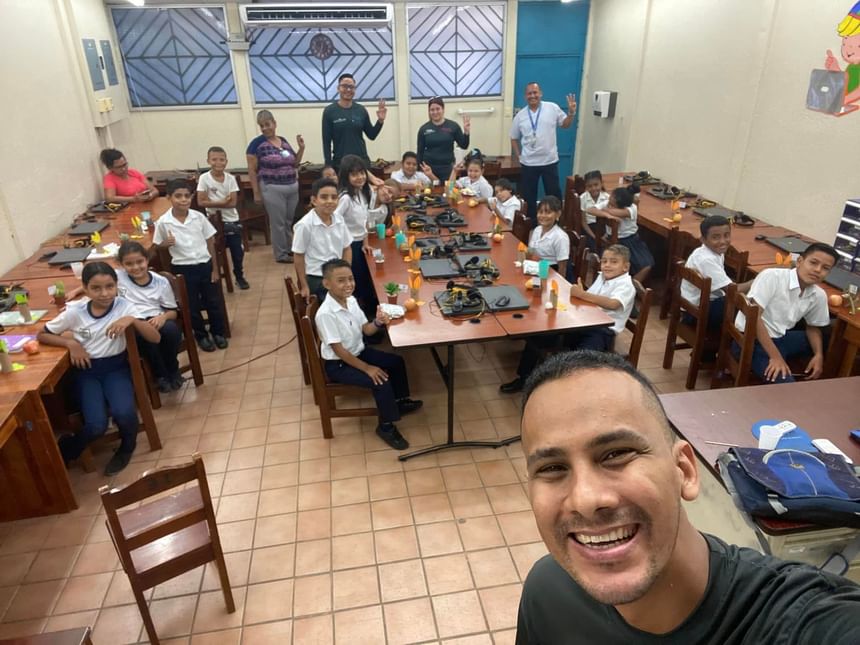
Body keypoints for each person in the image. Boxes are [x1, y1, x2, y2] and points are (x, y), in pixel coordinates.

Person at [517, 350, 860, 643]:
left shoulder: (796, 622)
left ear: (684, 470)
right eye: (552, 468)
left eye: (615, 454)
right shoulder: (548, 592)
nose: (586, 498)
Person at [37, 262, 161, 476]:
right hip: (87, 373)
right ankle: (67, 448)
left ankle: (127, 447)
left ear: (116, 286)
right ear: (84, 288)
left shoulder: (124, 305)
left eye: (110, 286)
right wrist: (71, 344)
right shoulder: (75, 311)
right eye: (96, 288)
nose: (104, 294)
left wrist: (132, 319)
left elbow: (155, 337)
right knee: (96, 425)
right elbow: (42, 334)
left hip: (116, 368)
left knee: (124, 413)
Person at [315, 259, 423, 451]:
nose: (348, 284)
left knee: (396, 362)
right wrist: (367, 369)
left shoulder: (352, 300)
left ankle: (399, 402)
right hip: (339, 364)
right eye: (341, 280)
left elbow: (366, 330)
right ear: (326, 283)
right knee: (380, 380)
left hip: (358, 351)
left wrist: (379, 322)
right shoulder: (325, 314)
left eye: (351, 279)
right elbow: (339, 350)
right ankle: (385, 426)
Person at [735, 242, 836, 383]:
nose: (818, 270)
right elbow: (754, 318)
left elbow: (812, 327)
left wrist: (818, 355)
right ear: (800, 261)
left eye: (825, 268)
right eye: (813, 263)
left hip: (780, 338)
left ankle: (815, 372)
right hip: (751, 340)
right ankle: (777, 368)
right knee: (786, 386)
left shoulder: (818, 295)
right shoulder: (772, 277)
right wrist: (776, 357)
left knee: (831, 340)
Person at [153, 179, 228, 353]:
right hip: (183, 269)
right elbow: (158, 245)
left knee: (213, 301)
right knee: (192, 305)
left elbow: (210, 241)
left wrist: (215, 269)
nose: (183, 200)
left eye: (187, 196)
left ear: (192, 197)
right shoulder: (163, 222)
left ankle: (218, 332)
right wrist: (165, 243)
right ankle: (201, 335)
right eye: (178, 196)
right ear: (169, 198)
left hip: (205, 265)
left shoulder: (198, 217)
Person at [115, 241, 184, 393]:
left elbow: (173, 311)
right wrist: (77, 291)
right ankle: (161, 375)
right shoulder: (118, 277)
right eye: (129, 264)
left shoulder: (160, 281)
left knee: (171, 331)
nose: (135, 267)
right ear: (121, 265)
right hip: (134, 322)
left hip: (156, 317)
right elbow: (97, 279)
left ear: (147, 259)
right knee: (145, 338)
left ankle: (172, 368)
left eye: (140, 262)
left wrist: (163, 317)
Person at [509, 83, 577, 219]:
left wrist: (571, 112)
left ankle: (556, 223)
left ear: (541, 93)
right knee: (529, 198)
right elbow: (513, 138)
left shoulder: (552, 108)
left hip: (549, 161)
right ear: (525, 96)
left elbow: (565, 125)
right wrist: (519, 156)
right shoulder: (520, 116)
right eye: (529, 93)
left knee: (554, 196)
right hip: (529, 163)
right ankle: (532, 226)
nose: (532, 96)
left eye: (535, 92)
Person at [246, 109, 305, 263]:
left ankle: (289, 249)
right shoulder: (256, 144)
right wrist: (256, 193)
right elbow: (251, 170)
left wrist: (301, 148)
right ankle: (281, 254)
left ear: (274, 123)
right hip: (272, 187)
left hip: (291, 186)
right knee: (277, 223)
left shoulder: (283, 141)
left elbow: (295, 163)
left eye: (267, 124)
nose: (265, 128)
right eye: (262, 126)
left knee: (288, 221)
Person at [680, 215, 750, 330]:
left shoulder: (706, 251)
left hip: (698, 305)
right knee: (748, 309)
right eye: (715, 237)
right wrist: (757, 280)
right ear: (703, 239)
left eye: (726, 235)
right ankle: (736, 344)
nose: (723, 241)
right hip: (696, 314)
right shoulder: (706, 259)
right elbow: (731, 290)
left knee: (745, 303)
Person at [196, 146, 249, 290]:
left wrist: (213, 202)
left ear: (226, 161)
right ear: (208, 161)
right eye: (214, 159)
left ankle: (239, 276)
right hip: (212, 222)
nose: (218, 162)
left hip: (232, 220)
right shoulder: (204, 178)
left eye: (221, 159)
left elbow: (233, 202)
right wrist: (222, 202)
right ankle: (215, 275)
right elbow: (201, 201)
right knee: (213, 251)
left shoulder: (230, 179)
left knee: (238, 253)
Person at [292, 177, 352, 302]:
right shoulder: (305, 225)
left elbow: (347, 249)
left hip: (337, 274)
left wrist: (347, 274)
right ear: (314, 200)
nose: (330, 201)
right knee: (333, 308)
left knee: (350, 302)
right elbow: (298, 256)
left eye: (334, 197)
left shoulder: (339, 220)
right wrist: (304, 285)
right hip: (317, 277)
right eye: (324, 197)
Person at [334, 155, 381, 314]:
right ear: (346, 176)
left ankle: (371, 316)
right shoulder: (345, 198)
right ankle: (362, 320)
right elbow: (335, 223)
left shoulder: (363, 192)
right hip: (349, 247)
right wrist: (346, 245)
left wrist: (366, 242)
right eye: (354, 174)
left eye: (362, 173)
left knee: (367, 281)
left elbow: (364, 221)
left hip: (361, 243)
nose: (359, 177)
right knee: (357, 284)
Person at [322, 73, 386, 169]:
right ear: (338, 88)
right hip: (341, 163)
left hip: (361, 162)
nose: (348, 90)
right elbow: (326, 142)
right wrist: (328, 165)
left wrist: (380, 121)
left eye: (351, 87)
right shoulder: (329, 111)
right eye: (344, 86)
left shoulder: (361, 110)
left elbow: (372, 135)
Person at [595, 186, 654, 284]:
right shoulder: (632, 208)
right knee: (647, 264)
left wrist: (605, 211)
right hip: (628, 241)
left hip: (615, 240)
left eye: (612, 197)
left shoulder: (608, 206)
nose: (609, 198)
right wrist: (607, 214)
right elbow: (591, 209)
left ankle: (628, 282)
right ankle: (630, 286)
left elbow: (607, 210)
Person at [416, 97, 471, 180]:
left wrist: (466, 132)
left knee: (448, 191)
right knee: (429, 192)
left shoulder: (453, 126)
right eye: (432, 110)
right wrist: (419, 170)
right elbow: (420, 152)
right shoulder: (423, 129)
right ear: (429, 111)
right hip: (429, 170)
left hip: (448, 169)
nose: (435, 112)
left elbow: (464, 145)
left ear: (443, 109)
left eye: (438, 109)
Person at [527, 196, 569, 277]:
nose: (543, 216)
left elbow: (562, 268)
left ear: (558, 214)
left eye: (548, 212)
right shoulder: (537, 230)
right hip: (536, 268)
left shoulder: (560, 237)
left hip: (551, 273)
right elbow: (530, 251)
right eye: (540, 212)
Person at [579, 170, 609, 248]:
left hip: (604, 227)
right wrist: (595, 237)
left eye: (596, 185)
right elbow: (583, 222)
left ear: (601, 183)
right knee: (593, 246)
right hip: (589, 229)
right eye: (589, 186)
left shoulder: (607, 197)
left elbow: (609, 220)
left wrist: (605, 235)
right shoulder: (583, 198)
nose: (593, 188)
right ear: (586, 186)